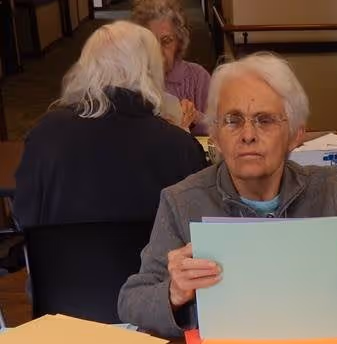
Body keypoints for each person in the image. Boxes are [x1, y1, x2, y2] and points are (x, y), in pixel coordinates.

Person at [118, 52, 337, 337]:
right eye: (233, 120)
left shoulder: (330, 191)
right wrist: (174, 292)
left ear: (295, 135)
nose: (248, 134)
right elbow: (132, 301)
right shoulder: (181, 202)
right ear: (215, 136)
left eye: (264, 120)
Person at [13, 21, 207, 229]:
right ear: (148, 71)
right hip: (156, 261)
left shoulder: (45, 133)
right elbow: (197, 225)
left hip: (62, 261)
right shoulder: (179, 145)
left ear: (87, 67)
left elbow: (25, 217)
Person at [131, 0, 210, 134]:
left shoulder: (198, 77)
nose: (158, 51)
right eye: (150, 42)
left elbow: (221, 127)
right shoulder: (130, 79)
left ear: (179, 41)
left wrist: (195, 116)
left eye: (166, 41)